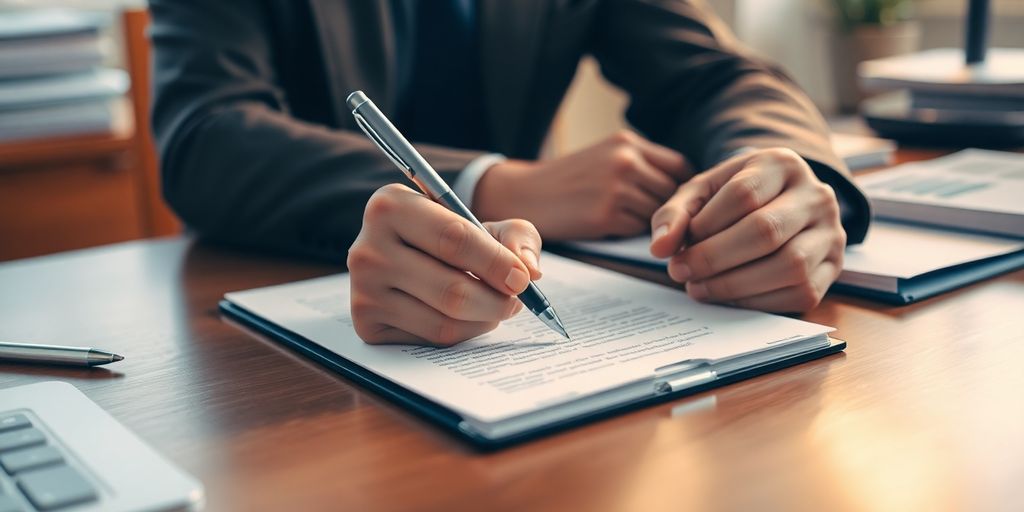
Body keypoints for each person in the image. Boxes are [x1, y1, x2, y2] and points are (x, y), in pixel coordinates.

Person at [150, 1, 870, 346]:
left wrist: (789, 178)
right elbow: (206, 137)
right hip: (266, 337)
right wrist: (495, 186)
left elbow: (718, 74)